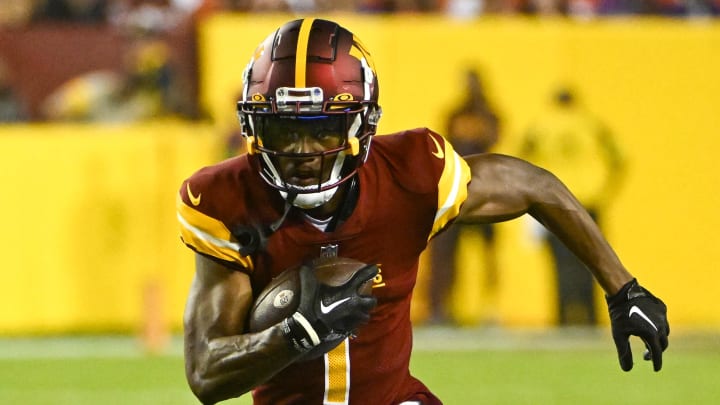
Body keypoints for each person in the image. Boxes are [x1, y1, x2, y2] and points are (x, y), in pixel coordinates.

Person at [177, 18, 669, 405]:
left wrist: (624, 288)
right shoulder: (224, 201)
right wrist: (294, 334)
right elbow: (205, 374)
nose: (303, 150)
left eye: (323, 129)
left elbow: (532, 184)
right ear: (255, 127)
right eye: (285, 130)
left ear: (360, 125)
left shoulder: (411, 174)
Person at [519, 86, 625, 326]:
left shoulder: (540, 125)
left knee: (560, 263)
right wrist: (606, 188)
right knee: (595, 261)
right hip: (587, 201)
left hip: (554, 202)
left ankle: (563, 317)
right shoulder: (592, 123)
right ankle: (591, 318)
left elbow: (519, 159)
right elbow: (620, 157)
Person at [427, 68, 501, 325]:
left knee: (488, 256)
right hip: (459, 190)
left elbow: (493, 140)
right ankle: (443, 307)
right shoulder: (456, 114)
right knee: (445, 253)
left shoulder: (489, 115)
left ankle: (490, 308)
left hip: (484, 189)